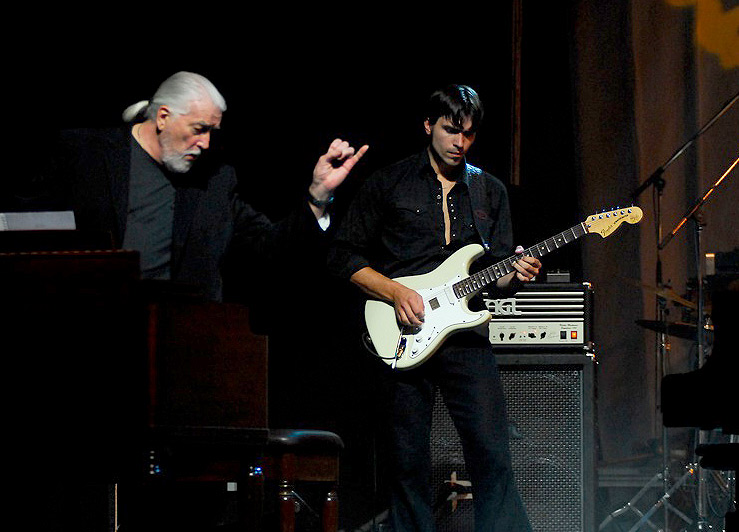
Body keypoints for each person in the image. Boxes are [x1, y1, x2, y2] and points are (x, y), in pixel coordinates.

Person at [328, 84, 540, 531]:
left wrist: (514, 272)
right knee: (407, 458)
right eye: (450, 131)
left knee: (492, 450)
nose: (459, 143)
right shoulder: (389, 183)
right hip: (402, 330)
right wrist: (393, 293)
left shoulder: (489, 190)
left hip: (465, 336)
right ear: (428, 126)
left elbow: (496, 275)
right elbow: (342, 256)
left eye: (468, 134)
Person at [14, 71, 367, 301]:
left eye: (212, 132)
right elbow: (24, 228)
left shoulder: (214, 181)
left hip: (178, 338)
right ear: (163, 117)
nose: (207, 144)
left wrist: (318, 195)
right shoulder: (85, 154)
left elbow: (270, 245)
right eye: (199, 129)